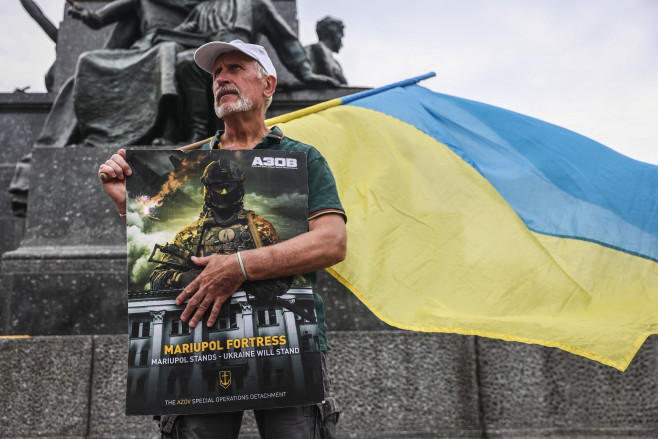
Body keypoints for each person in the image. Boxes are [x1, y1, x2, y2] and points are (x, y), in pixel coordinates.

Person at [99, 39, 346, 438]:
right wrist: (126, 205)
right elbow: (156, 269)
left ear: (267, 85)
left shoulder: (302, 159)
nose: (222, 79)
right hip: (196, 345)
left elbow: (331, 243)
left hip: (284, 342)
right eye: (216, 74)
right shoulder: (185, 165)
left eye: (235, 69)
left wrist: (239, 267)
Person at [305, 16, 347, 85]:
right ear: (334, 33)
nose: (342, 44)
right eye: (341, 36)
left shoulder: (336, 63)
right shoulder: (309, 51)